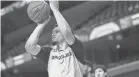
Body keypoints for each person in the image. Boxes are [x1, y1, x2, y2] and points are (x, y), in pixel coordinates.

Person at [25, 0, 87, 77]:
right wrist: (40, 26)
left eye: (57, 32)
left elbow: (66, 32)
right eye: (53, 32)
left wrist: (55, 10)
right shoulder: (49, 54)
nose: (53, 34)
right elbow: (29, 47)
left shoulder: (76, 48)